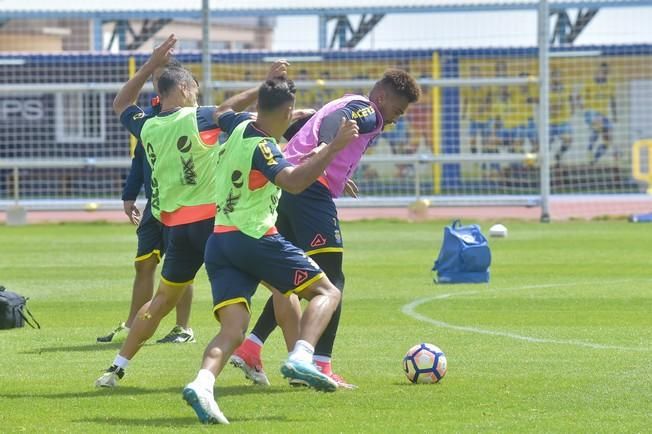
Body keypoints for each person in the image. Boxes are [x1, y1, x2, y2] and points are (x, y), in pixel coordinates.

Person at [95, 34, 289, 388]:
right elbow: (228, 112)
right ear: (183, 89)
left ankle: (116, 368)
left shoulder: (148, 124)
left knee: (161, 300)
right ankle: (295, 362)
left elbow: (122, 102)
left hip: (175, 229)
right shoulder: (197, 117)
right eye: (195, 89)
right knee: (280, 286)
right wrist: (266, 88)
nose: (197, 96)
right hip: (215, 227)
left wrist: (150, 65)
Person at [182, 76, 360, 424]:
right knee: (327, 290)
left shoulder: (238, 124)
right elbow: (293, 182)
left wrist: (264, 87)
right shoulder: (265, 147)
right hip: (254, 238)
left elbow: (222, 109)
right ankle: (302, 356)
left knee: (232, 331)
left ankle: (202, 384)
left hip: (220, 242)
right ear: (288, 111)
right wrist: (333, 148)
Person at [230, 69, 421, 389]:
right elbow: (338, 124)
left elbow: (300, 129)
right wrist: (323, 150)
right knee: (332, 280)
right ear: (383, 97)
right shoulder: (369, 110)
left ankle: (251, 347)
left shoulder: (344, 100)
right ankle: (320, 364)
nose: (394, 119)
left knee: (286, 279)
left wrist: (336, 172)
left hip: (287, 189)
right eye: (397, 111)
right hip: (310, 193)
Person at [96, 60, 195, 345]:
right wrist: (129, 194)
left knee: (180, 267)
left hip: (184, 206)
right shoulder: (149, 117)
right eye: (153, 75)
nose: (156, 80)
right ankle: (131, 325)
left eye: (161, 76)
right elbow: (140, 158)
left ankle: (182, 328)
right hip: (155, 204)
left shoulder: (192, 118)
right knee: (144, 264)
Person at [580, 62, 617, 163]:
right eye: (600, 71)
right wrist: (581, 103)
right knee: (598, 123)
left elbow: (613, 100)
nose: (602, 73)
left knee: (608, 139)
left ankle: (594, 159)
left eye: (605, 72)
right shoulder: (589, 83)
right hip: (590, 112)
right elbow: (581, 97)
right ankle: (590, 149)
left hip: (603, 115)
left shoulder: (610, 84)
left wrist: (614, 115)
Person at [549, 68, 574, 166]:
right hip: (550, 122)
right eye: (554, 76)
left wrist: (572, 108)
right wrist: (554, 108)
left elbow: (571, 98)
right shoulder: (546, 89)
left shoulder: (566, 88)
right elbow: (550, 108)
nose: (557, 78)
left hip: (563, 121)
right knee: (544, 145)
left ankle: (559, 155)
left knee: (568, 140)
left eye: (558, 76)